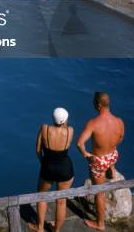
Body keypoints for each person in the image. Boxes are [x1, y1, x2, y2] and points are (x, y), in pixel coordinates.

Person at [77, 92, 125, 230]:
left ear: (98, 105)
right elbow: (120, 137)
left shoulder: (93, 123)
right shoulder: (119, 121)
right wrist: (111, 146)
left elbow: (80, 144)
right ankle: (111, 169)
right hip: (113, 155)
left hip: (99, 161)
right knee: (110, 156)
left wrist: (87, 155)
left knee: (99, 193)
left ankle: (100, 224)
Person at [28, 108, 74, 232]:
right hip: (65, 168)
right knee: (61, 201)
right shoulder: (70, 131)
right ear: (65, 120)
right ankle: (56, 230)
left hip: (48, 167)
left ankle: (40, 227)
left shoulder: (45, 129)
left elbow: (38, 150)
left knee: (41, 196)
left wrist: (43, 162)